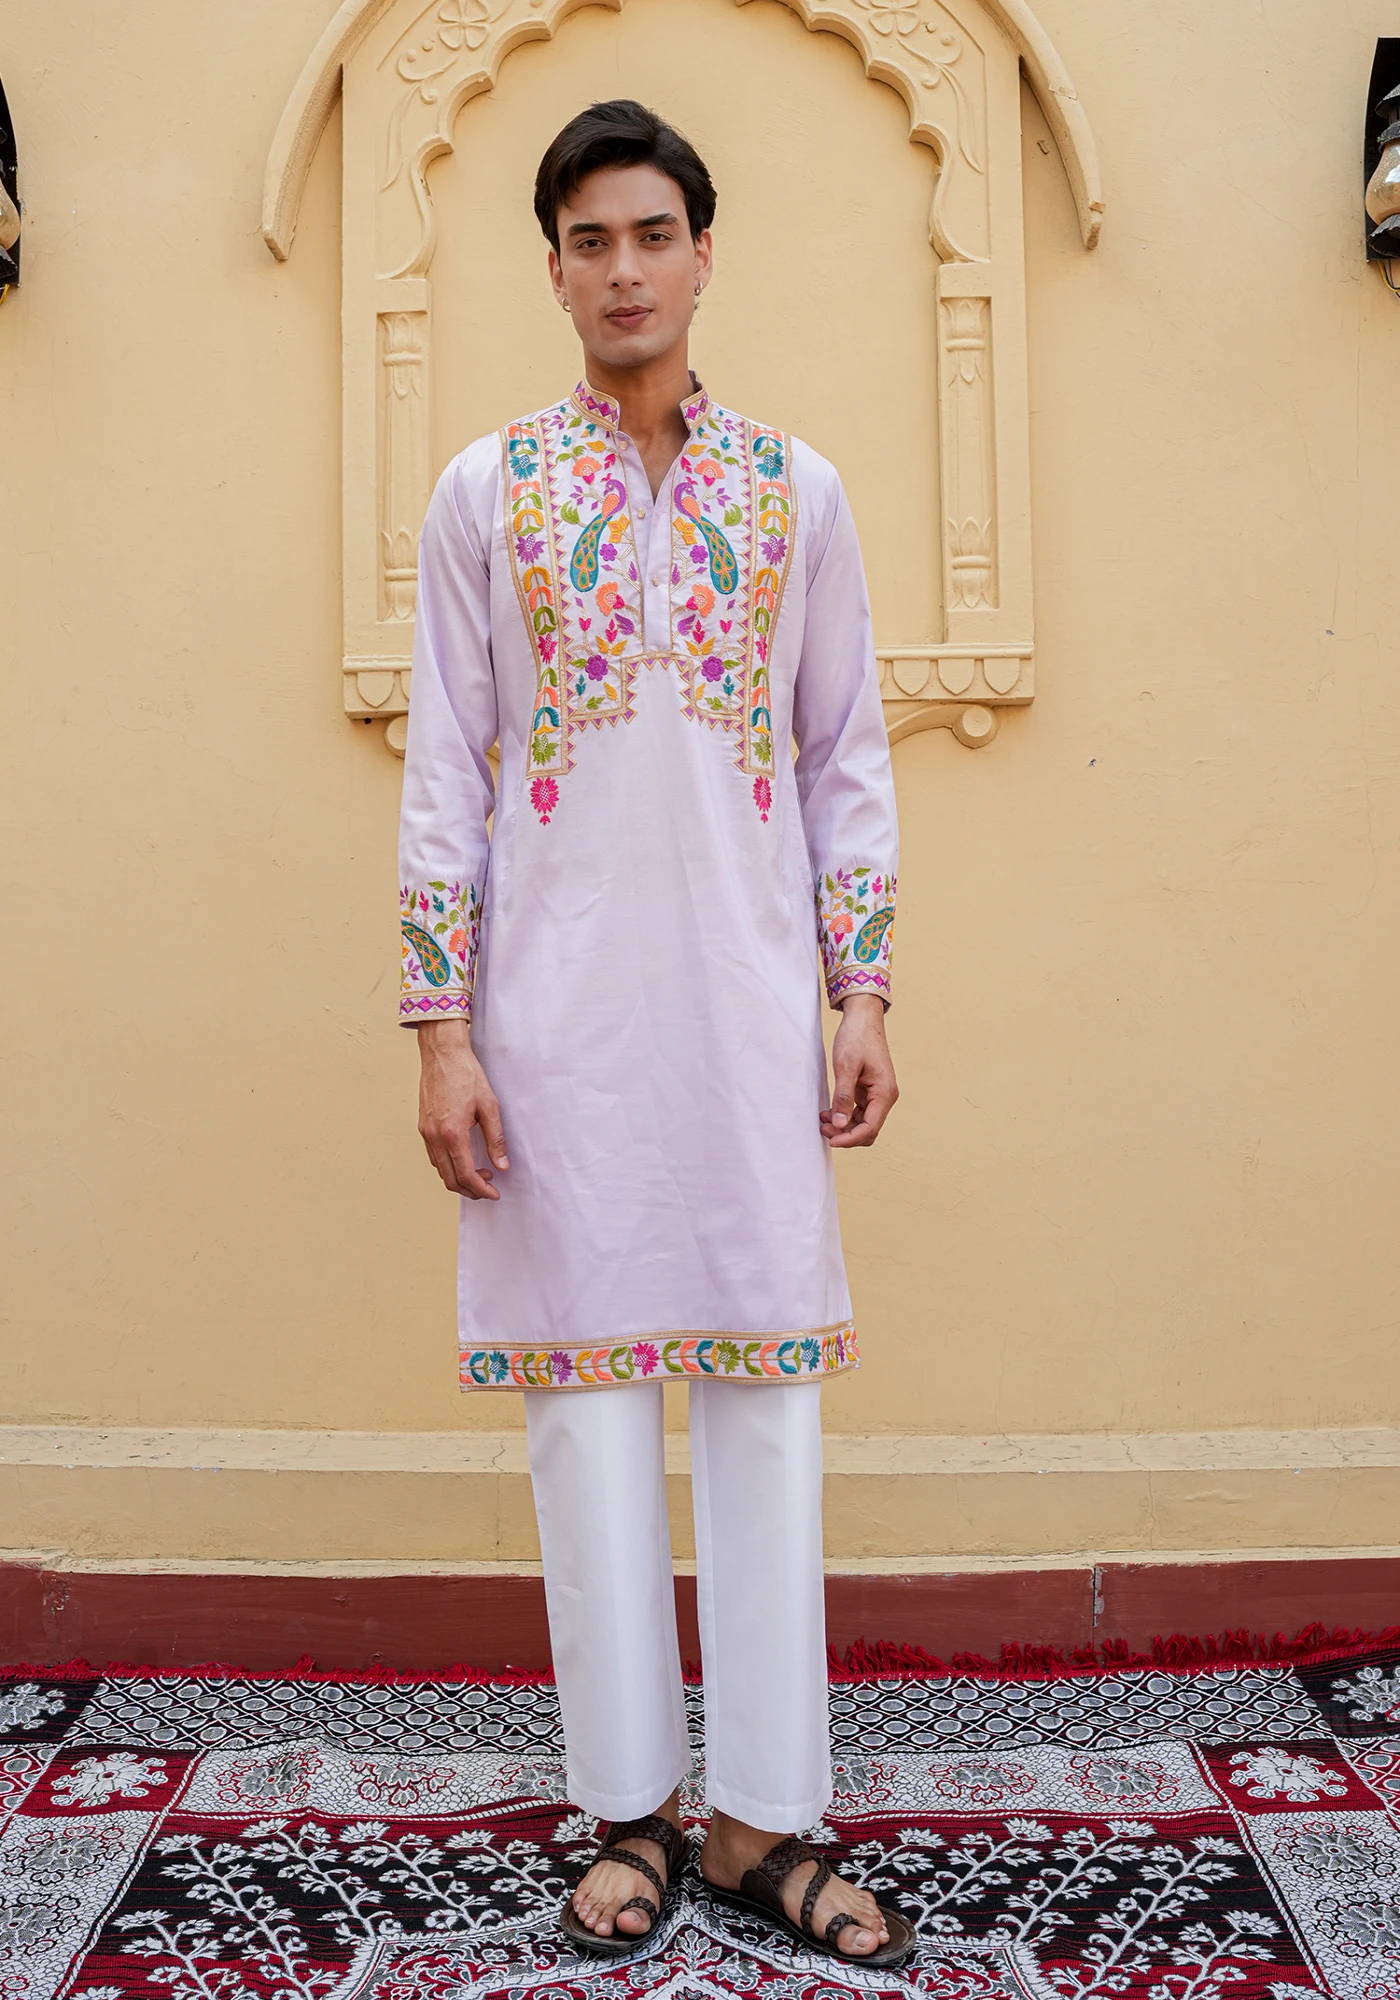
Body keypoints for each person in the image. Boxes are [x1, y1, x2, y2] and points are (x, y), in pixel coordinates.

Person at [397, 98, 911, 1969]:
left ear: (704, 254)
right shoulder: (484, 495)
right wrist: (442, 1030)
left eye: (654, 234)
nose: (624, 270)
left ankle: (765, 1818)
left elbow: (844, 758)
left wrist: (861, 989)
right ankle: (622, 1807)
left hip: (751, 1013)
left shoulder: (798, 492)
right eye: (589, 240)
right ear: (553, 270)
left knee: (766, 1405)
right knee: (588, 1413)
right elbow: (443, 773)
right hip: (555, 1023)